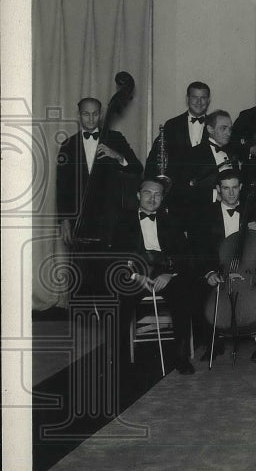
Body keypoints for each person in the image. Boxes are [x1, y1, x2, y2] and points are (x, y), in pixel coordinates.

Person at [190, 169, 256, 367]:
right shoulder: (205, 213)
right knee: (198, 290)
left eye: (235, 187)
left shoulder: (251, 210)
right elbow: (199, 248)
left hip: (247, 271)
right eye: (226, 188)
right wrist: (209, 272)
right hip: (219, 270)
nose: (231, 193)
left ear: (241, 188)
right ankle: (212, 343)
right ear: (218, 190)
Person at [109, 178, 199, 374]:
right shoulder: (123, 221)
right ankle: (118, 360)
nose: (152, 198)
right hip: (135, 273)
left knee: (183, 293)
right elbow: (116, 255)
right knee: (120, 296)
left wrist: (169, 274)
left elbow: (186, 255)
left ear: (162, 198)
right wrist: (136, 276)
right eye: (148, 193)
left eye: (157, 194)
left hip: (164, 271)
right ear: (139, 195)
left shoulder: (172, 221)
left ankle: (181, 356)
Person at [57, 97, 143, 250]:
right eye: (86, 114)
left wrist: (117, 156)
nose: (91, 118)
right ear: (78, 115)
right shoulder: (68, 145)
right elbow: (62, 186)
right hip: (80, 219)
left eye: (95, 114)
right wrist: (64, 220)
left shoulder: (116, 138)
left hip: (111, 219)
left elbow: (137, 168)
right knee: (80, 269)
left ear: (102, 115)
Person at [172, 110, 239, 230]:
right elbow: (181, 190)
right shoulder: (192, 154)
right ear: (210, 129)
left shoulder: (232, 154)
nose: (228, 133)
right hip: (201, 221)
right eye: (223, 128)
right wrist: (215, 194)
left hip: (228, 221)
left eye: (230, 129)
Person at [144, 81, 211, 182]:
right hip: (176, 189)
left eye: (203, 98)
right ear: (187, 99)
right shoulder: (171, 125)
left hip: (206, 188)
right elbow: (155, 158)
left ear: (208, 100)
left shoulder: (215, 125)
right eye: (194, 97)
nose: (199, 102)